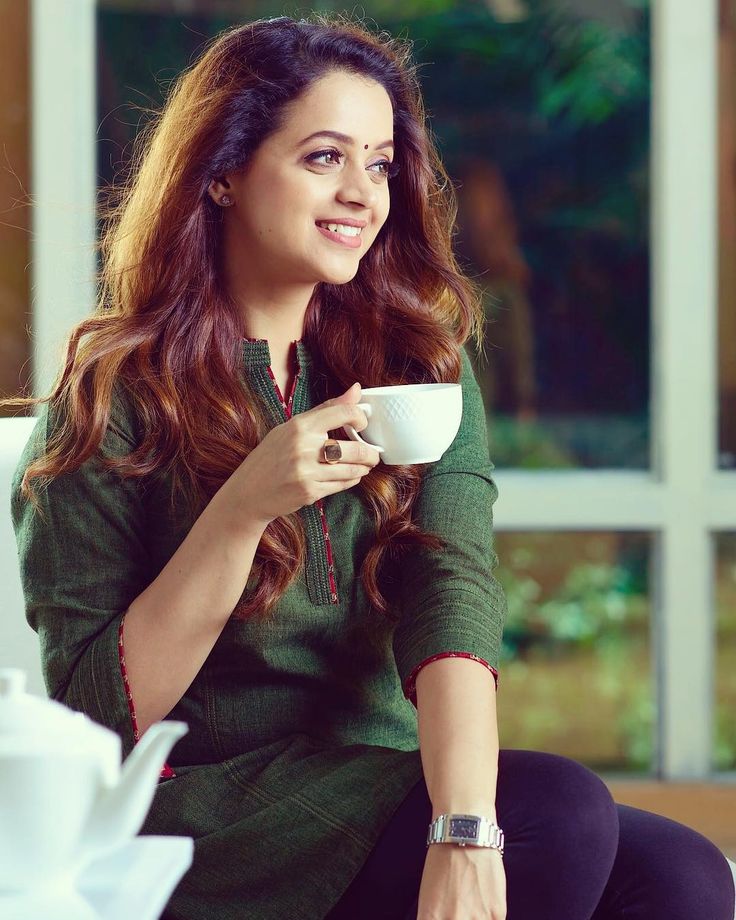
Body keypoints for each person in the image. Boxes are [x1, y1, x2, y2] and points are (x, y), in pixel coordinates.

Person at [7, 13, 735, 920]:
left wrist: (463, 831)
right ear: (223, 173)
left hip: (374, 778)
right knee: (562, 815)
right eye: (324, 157)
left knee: (680, 871)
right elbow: (97, 721)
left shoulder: (420, 366)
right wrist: (241, 512)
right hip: (199, 804)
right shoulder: (114, 395)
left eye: (381, 162)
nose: (363, 192)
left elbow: (452, 588)